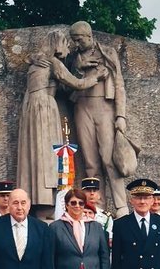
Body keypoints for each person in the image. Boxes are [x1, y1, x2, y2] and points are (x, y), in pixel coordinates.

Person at [18, 29, 100, 205]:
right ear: (57, 45)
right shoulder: (52, 62)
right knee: (46, 153)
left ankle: (36, 197)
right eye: (65, 45)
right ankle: (46, 199)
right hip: (44, 108)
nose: (69, 50)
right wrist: (96, 76)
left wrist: (78, 68)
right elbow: (77, 84)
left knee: (38, 152)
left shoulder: (39, 62)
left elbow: (63, 87)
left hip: (33, 107)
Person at [66, 21, 129, 215]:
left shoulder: (107, 53)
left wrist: (121, 115)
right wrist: (78, 67)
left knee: (110, 159)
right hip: (82, 106)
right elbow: (64, 81)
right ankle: (96, 207)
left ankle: (121, 207)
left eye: (79, 39)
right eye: (74, 40)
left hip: (105, 107)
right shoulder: (73, 58)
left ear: (88, 36)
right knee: (90, 163)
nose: (77, 44)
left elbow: (119, 85)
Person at [81, 177, 115, 243]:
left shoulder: (106, 217)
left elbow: (109, 239)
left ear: (99, 195)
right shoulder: (76, 213)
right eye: (88, 190)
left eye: (95, 191)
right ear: (82, 194)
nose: (92, 193)